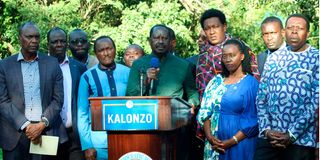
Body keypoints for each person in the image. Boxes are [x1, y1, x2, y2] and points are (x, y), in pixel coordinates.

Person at [254, 14, 319, 160]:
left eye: (300, 28)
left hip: (300, 141)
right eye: (290, 28)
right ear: (284, 32)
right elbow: (261, 97)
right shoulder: (274, 58)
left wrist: (291, 134)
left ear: (307, 33)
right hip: (269, 138)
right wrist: (266, 130)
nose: (294, 32)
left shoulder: (316, 58)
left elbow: (316, 103)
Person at [0, 22, 67, 159]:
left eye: (37, 37)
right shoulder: (4, 65)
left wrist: (42, 124)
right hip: (15, 134)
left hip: (45, 132)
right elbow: (2, 101)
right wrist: (26, 125)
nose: (34, 41)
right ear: (20, 38)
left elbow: (58, 99)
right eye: (29, 37)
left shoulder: (52, 63)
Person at [197, 39, 259, 160]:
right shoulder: (215, 81)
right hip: (214, 145)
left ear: (241, 56)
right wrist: (210, 138)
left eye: (232, 55)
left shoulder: (250, 84)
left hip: (239, 144)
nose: (228, 59)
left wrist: (231, 141)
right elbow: (205, 112)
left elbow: (253, 120)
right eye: (224, 56)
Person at [77, 36, 130, 160]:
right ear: (95, 54)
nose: (106, 53)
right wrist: (87, 145)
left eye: (109, 49)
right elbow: (82, 113)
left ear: (115, 49)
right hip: (99, 143)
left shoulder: (128, 72)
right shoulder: (87, 77)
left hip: (126, 139)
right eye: (101, 50)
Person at [126, 24, 199, 107]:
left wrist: (192, 104)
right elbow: (130, 96)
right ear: (150, 41)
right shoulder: (138, 64)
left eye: (165, 38)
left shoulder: (184, 65)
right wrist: (145, 81)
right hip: (146, 114)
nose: (161, 41)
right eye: (156, 38)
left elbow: (193, 93)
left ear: (170, 41)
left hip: (174, 114)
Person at [196, 8, 260, 98]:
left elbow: (254, 78)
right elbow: (201, 86)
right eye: (207, 28)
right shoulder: (203, 54)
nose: (212, 32)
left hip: (237, 103)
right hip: (209, 107)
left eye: (215, 27)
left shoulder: (239, 47)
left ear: (224, 27)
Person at [47, 27, 86, 160]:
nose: (59, 44)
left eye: (62, 41)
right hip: (49, 134)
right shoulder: (40, 66)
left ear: (67, 44)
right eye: (55, 41)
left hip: (74, 136)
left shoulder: (79, 67)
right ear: (48, 44)